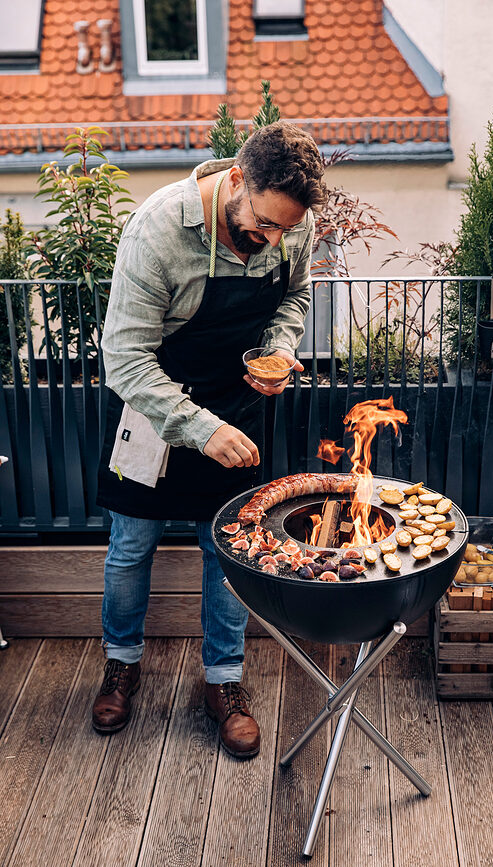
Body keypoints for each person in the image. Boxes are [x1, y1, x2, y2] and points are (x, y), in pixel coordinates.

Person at [92, 121, 328, 759]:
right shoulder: (158, 229)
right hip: (153, 408)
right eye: (264, 223)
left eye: (285, 229)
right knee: (130, 546)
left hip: (239, 402)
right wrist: (198, 426)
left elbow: (294, 300)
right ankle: (121, 663)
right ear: (237, 181)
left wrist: (278, 350)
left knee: (228, 552)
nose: (273, 239)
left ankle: (224, 681)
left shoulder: (290, 219)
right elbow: (124, 357)